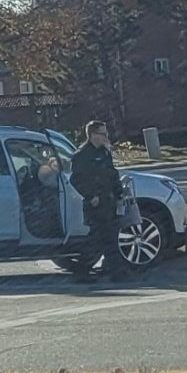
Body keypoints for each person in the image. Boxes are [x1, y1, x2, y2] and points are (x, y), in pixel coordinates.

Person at [69, 120, 127, 283]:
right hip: (95, 204)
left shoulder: (104, 152)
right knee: (96, 240)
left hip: (109, 201)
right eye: (103, 134)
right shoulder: (81, 155)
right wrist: (90, 196)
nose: (106, 137)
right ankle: (82, 271)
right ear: (93, 135)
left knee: (111, 237)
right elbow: (76, 180)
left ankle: (114, 271)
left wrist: (119, 194)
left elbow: (112, 174)